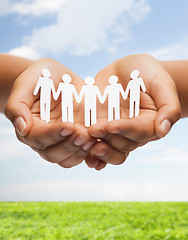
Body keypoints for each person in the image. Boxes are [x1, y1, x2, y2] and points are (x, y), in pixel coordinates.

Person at [0, 53, 185, 171]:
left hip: (115, 102)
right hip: (65, 103)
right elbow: (74, 94)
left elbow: (111, 94)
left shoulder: (107, 89)